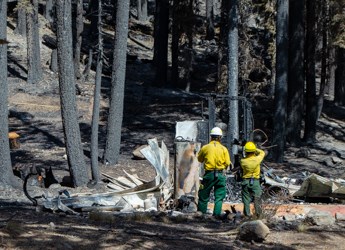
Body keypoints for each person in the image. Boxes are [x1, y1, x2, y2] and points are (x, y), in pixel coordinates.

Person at [197, 127, 231, 216]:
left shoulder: (205, 148)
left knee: (203, 195)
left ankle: (201, 215)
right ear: (220, 137)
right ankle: (216, 216)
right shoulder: (224, 149)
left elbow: (199, 159)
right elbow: (227, 162)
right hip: (220, 175)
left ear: (211, 137)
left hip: (209, 174)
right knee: (219, 197)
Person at [240, 141, 265, 218]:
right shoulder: (257, 159)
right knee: (257, 198)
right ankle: (258, 215)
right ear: (253, 151)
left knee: (246, 199)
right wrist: (255, 149)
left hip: (245, 181)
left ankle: (247, 215)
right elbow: (262, 153)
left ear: (246, 152)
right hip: (255, 182)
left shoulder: (243, 161)